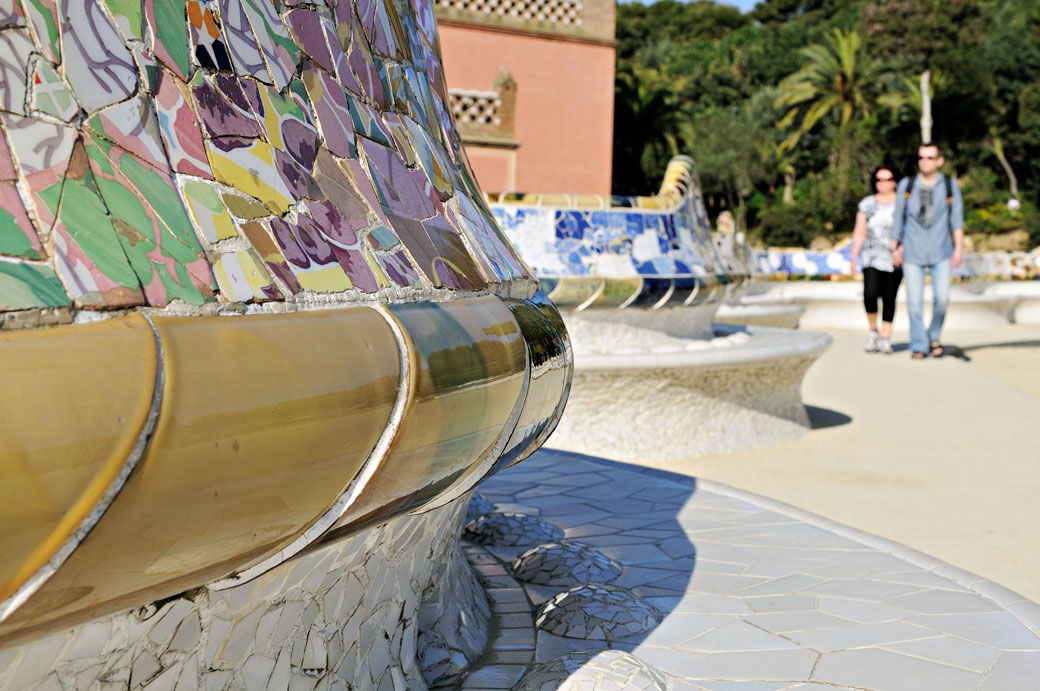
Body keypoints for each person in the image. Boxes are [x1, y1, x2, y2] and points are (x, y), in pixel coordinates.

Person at [891, 143, 965, 359]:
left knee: (942, 298)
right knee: (914, 302)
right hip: (912, 251)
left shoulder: (950, 185)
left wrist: (959, 248)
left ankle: (933, 335)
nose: (924, 161)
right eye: (921, 157)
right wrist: (894, 247)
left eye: (930, 158)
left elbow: (957, 219)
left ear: (939, 161)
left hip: (941, 250)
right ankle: (919, 344)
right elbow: (898, 218)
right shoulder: (907, 184)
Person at [851, 165, 902, 354]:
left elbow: (910, 230)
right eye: (879, 179)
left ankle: (886, 337)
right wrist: (854, 256)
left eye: (887, 179)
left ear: (895, 182)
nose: (883, 183)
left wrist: (901, 250)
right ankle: (873, 330)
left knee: (889, 297)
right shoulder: (867, 204)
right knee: (870, 294)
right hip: (871, 257)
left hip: (895, 257)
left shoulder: (902, 204)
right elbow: (860, 231)